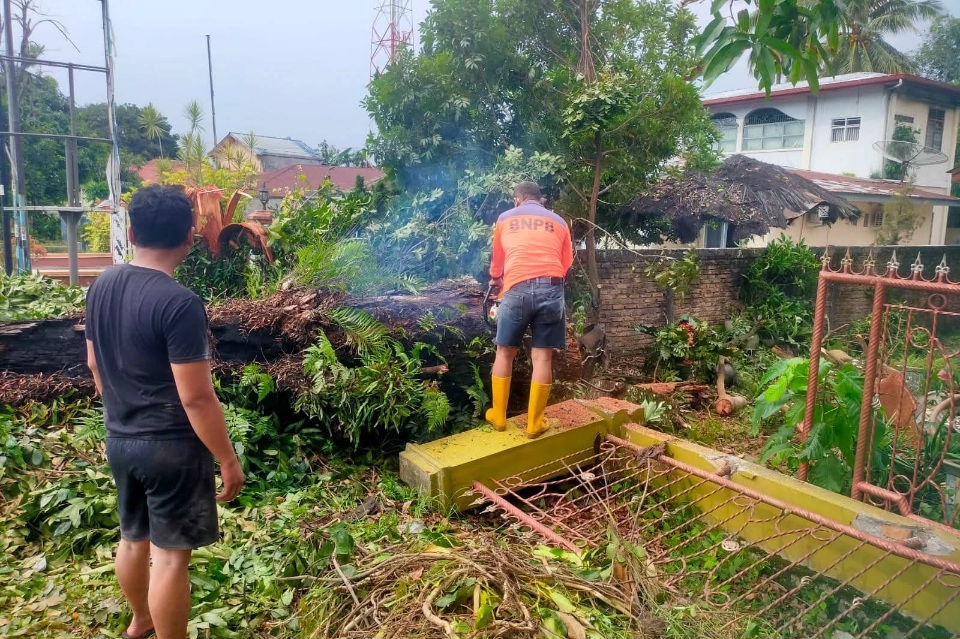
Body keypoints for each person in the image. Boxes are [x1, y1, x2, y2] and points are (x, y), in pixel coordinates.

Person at [85, 185, 245, 639]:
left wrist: (121, 412)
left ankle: (140, 621)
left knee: (132, 538)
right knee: (171, 556)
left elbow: (95, 364)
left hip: (121, 438)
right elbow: (195, 397)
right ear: (191, 238)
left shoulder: (102, 284)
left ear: (132, 231)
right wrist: (227, 459)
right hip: (170, 447)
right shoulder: (179, 303)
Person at [485, 181, 573, 438]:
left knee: (504, 352)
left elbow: (497, 261)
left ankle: (499, 417)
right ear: (541, 200)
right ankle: (535, 424)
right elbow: (565, 262)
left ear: (517, 200)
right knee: (543, 358)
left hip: (516, 288)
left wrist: (496, 278)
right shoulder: (559, 222)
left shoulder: (505, 218)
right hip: (552, 287)